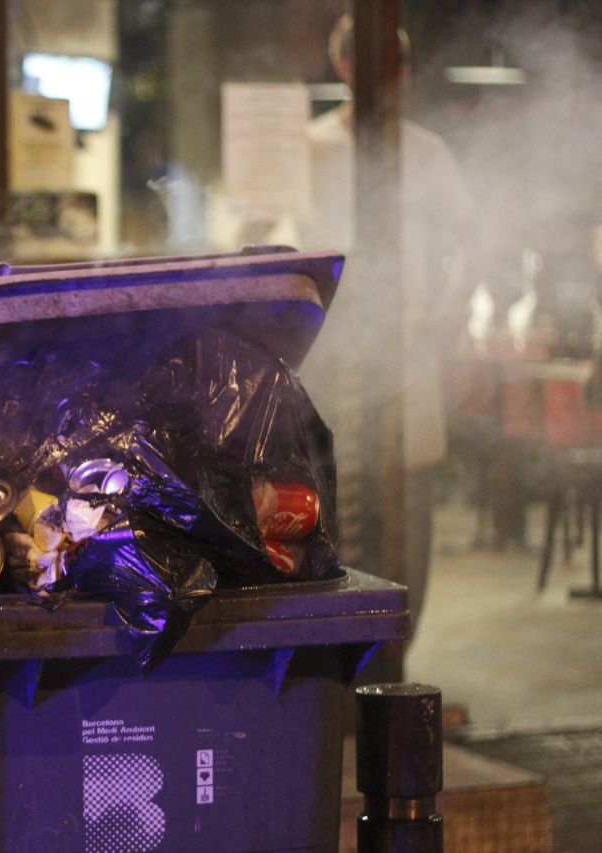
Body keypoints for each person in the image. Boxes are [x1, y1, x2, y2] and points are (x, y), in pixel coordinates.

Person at [296, 13, 475, 634]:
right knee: (334, 504)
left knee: (409, 506)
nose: (391, 77)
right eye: (377, 63)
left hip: (404, 357)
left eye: (398, 64)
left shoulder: (425, 153)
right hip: (329, 360)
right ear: (345, 67)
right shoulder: (312, 147)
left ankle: (401, 658)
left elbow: (471, 245)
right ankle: (340, 663)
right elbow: (265, 236)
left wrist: (447, 313)